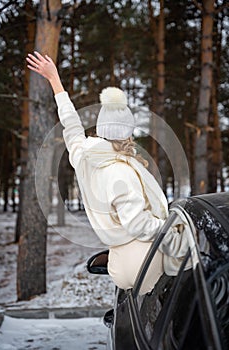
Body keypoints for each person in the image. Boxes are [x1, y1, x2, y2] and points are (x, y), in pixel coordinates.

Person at [26, 51, 191, 295]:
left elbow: (71, 126)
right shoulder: (120, 172)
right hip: (146, 261)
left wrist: (55, 81)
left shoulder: (84, 156)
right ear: (126, 133)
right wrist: (177, 229)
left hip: (119, 264)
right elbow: (139, 224)